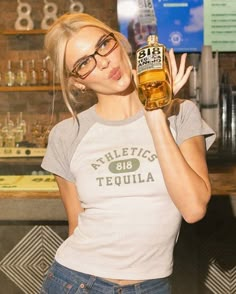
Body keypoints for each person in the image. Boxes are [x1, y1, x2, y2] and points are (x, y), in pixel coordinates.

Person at [40, 12, 215, 294]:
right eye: (85, 63)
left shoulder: (182, 113)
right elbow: (76, 225)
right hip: (76, 282)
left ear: (119, 42)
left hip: (152, 286)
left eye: (103, 45)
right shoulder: (66, 134)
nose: (104, 61)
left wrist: (155, 114)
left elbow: (193, 208)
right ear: (77, 82)